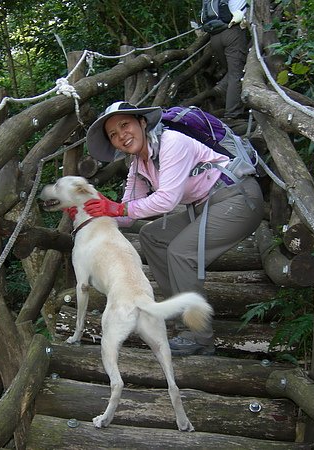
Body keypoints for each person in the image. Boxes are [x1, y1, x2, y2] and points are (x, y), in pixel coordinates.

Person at [82, 101, 264, 355]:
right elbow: (127, 212)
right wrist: (92, 215)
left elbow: (167, 199)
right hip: (205, 206)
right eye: (113, 134)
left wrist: (116, 209)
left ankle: (199, 337)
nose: (121, 135)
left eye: (125, 125)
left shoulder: (172, 142)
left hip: (238, 199)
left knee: (181, 252)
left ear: (142, 123)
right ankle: (181, 314)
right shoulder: (138, 164)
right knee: (152, 236)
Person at [201, 0, 250, 131]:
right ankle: (232, 116)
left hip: (215, 37)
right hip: (232, 32)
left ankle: (229, 104)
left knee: (232, 72)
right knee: (236, 74)